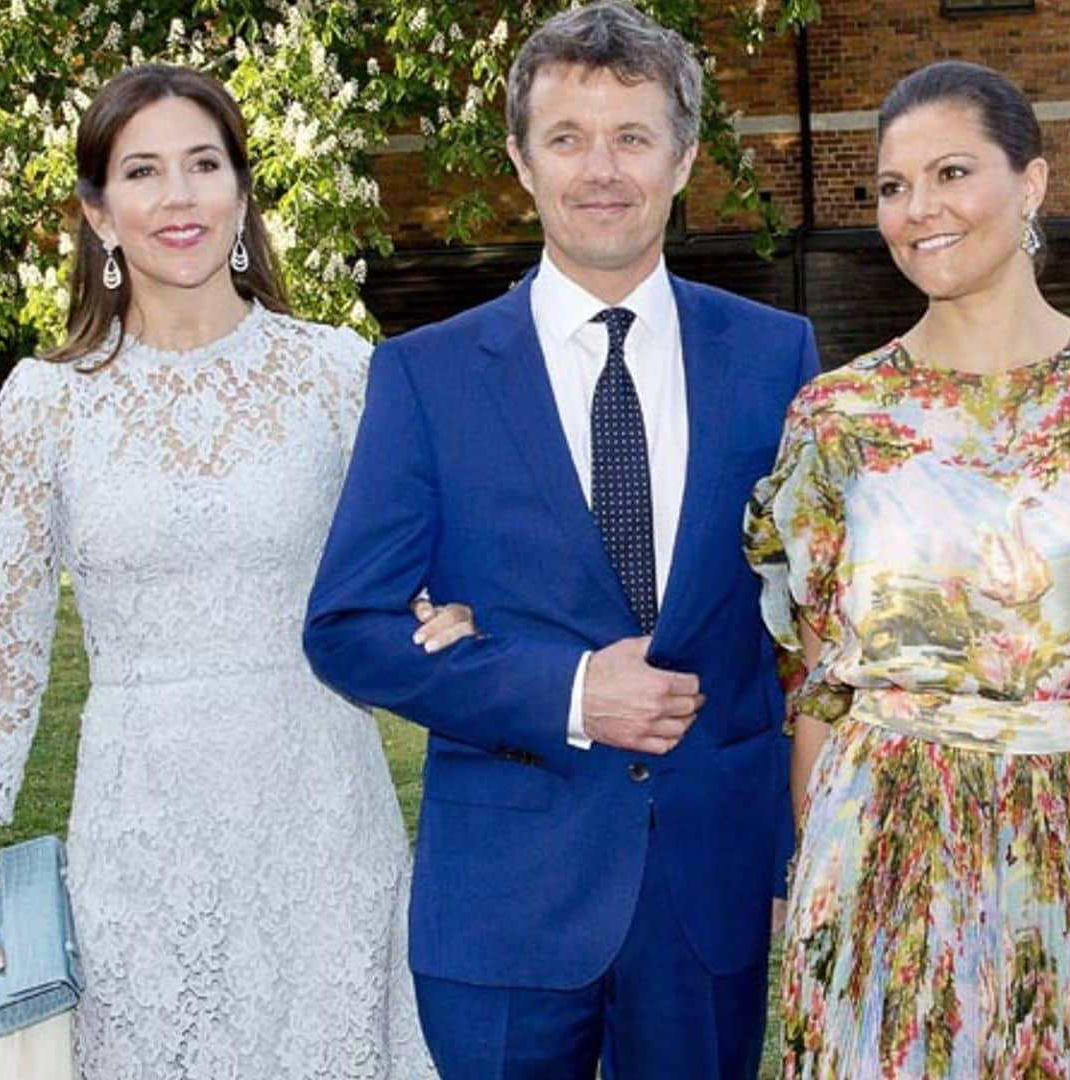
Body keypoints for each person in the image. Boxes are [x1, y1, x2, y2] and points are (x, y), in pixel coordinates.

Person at [301, 3, 817, 1076]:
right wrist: (570, 693)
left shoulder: (777, 359)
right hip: (504, 897)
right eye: (567, 139)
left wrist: (790, 852)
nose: (602, 170)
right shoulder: (425, 375)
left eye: (633, 137)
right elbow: (347, 626)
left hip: (707, 895)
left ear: (683, 159)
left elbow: (810, 620)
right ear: (521, 162)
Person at [0, 64, 455, 1079]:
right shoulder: (44, 404)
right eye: (144, 171)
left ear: (243, 194)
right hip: (140, 825)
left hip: (322, 815)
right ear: (97, 212)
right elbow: (3, 644)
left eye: (205, 164)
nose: (180, 197)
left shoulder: (341, 373)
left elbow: (415, 586)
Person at [745, 60, 1070, 1079]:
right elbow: (819, 687)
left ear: (1032, 183)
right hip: (880, 837)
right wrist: (816, 882)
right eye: (893, 187)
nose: (918, 210)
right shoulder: (838, 418)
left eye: (951, 172)